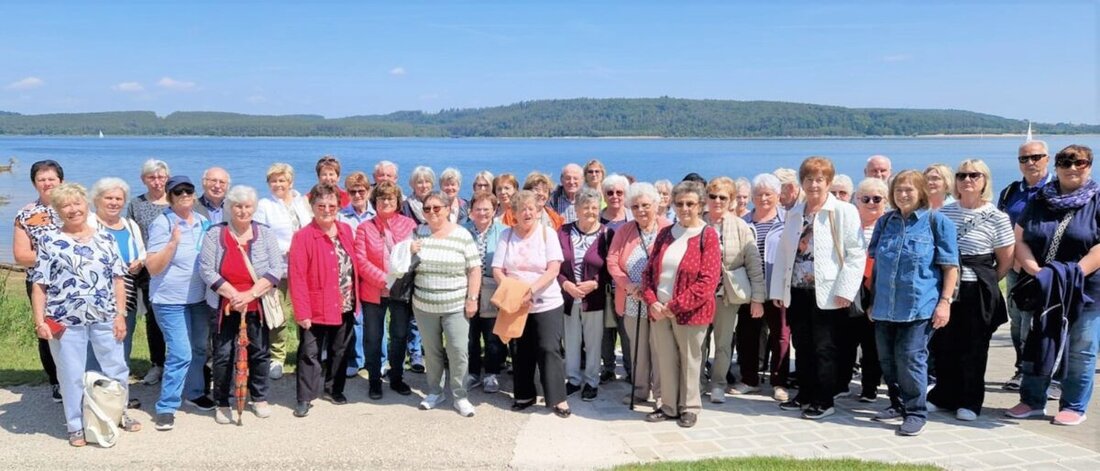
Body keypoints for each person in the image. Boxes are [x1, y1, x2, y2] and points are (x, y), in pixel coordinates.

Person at [30, 183, 141, 446]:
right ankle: (75, 425)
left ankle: (118, 412)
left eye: (76, 203)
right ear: (58, 210)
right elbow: (39, 285)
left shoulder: (105, 238)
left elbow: (117, 280)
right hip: (65, 320)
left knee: (116, 367)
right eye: (65, 205)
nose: (72, 209)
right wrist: (39, 321)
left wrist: (120, 314)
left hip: (104, 316)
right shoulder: (49, 240)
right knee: (71, 373)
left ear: (86, 204)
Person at [1007, 144, 1100, 427]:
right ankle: (1032, 400)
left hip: (1085, 287)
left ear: (1090, 165)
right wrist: (1037, 272)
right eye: (1065, 162)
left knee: (1081, 347)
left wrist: (1071, 277)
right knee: (1035, 340)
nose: (1072, 168)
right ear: (1056, 166)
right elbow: (1020, 238)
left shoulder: (1096, 200)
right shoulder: (1040, 200)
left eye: (1079, 162)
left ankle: (1074, 405)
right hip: (1041, 284)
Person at [770, 156, 866, 420]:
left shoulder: (843, 211)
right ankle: (805, 394)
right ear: (802, 182)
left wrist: (846, 290)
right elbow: (784, 253)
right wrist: (778, 291)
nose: (814, 185)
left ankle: (824, 400)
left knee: (825, 347)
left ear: (829, 182)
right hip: (797, 289)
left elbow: (856, 252)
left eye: (820, 180)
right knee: (802, 345)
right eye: (809, 179)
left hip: (829, 292)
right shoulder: (795, 213)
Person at [868, 170, 959, 436]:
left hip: (919, 306)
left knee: (910, 360)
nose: (903, 194)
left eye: (909, 189)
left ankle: (916, 411)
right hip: (885, 305)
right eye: (898, 190)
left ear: (921, 192)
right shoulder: (885, 222)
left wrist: (945, 302)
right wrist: (872, 301)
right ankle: (896, 404)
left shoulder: (937, 222)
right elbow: (875, 267)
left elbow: (950, 267)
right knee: (887, 360)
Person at [927, 159, 1013, 420]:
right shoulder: (944, 213)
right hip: (947, 289)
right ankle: (943, 395)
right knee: (944, 345)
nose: (967, 180)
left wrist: (985, 280)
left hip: (978, 289)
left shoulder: (997, 217)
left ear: (984, 180)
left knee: (974, 348)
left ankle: (970, 401)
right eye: (962, 175)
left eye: (974, 175)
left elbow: (1005, 259)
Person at [198, 185, 284, 424]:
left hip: (256, 304)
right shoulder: (215, 234)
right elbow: (206, 269)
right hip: (223, 304)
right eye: (238, 206)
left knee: (259, 352)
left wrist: (249, 295)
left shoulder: (265, 234)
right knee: (223, 354)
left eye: (247, 206)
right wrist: (234, 294)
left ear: (254, 208)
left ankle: (259, 398)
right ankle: (222, 401)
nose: (243, 211)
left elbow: (276, 268)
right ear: (229, 207)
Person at [640, 181, 720, 428]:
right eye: (680, 203)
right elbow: (648, 273)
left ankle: (690, 407)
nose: (684, 208)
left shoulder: (708, 236)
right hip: (659, 311)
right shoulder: (665, 233)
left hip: (690, 313)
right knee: (665, 360)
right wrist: (652, 301)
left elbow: (707, 282)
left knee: (690, 361)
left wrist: (673, 307)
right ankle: (669, 406)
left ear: (700, 205)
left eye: (690, 204)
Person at [492, 190, 571, 418]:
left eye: (531, 208)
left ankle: (557, 398)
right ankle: (524, 394)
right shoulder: (506, 235)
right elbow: (497, 269)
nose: (527, 212)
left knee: (549, 348)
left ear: (537, 211)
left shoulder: (548, 234)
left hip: (546, 302)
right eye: (521, 208)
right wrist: (513, 292)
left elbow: (553, 269)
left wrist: (530, 291)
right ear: (513, 213)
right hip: (515, 302)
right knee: (519, 350)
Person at [145, 175, 213, 431]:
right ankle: (166, 406)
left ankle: (194, 393)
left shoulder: (203, 222)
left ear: (194, 195)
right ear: (170, 197)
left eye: (188, 190)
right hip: (169, 300)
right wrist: (173, 242)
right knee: (180, 353)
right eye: (177, 192)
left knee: (198, 350)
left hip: (198, 299)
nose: (184, 195)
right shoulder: (162, 224)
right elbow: (152, 267)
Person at [408, 192, 482, 416]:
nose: (431, 212)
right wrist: (409, 252)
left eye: (436, 208)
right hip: (424, 305)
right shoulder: (418, 232)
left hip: (455, 307)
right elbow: (404, 265)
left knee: (458, 351)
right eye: (427, 208)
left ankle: (460, 396)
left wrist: (472, 299)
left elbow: (474, 269)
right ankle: (435, 391)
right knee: (432, 352)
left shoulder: (462, 235)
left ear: (448, 209)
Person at [288, 183, 358, 418]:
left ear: (338, 206)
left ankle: (334, 389)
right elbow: (297, 277)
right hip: (316, 305)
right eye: (321, 205)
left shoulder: (346, 230)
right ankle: (305, 397)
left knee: (340, 350)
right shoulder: (303, 236)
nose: (327, 209)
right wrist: (302, 312)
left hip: (345, 303)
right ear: (312, 207)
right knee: (310, 353)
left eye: (331, 205)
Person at [700, 177, 765, 402]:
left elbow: (754, 265)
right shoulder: (697, 223)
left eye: (723, 197)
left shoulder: (740, 227)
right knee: (697, 341)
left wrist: (758, 298)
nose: (717, 201)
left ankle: (718, 383)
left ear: (731, 201)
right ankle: (697, 382)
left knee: (723, 342)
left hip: (726, 295)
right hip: (698, 295)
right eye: (713, 196)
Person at [353, 181, 418, 400]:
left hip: (400, 292)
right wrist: (384, 280)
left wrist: (396, 281)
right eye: (381, 198)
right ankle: (374, 380)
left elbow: (414, 258)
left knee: (399, 335)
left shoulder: (409, 225)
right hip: (374, 291)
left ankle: (397, 377)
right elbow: (360, 261)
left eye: (390, 198)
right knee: (373, 336)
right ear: (375, 202)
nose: (386, 202)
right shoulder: (364, 228)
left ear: (398, 201)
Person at [998, 140, 1054, 390]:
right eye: (1024, 159)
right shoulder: (1011, 192)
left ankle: (1044, 373)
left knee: (1041, 320)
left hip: (1046, 267)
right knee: (1018, 320)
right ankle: (1021, 368)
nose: (1030, 163)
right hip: (1014, 266)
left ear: (1047, 158)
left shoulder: (1057, 189)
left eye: (1036, 157)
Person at [609, 182, 671, 405]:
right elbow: (612, 261)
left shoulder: (668, 228)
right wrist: (627, 285)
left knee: (660, 349)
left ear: (656, 204)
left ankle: (662, 393)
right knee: (638, 351)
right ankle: (640, 389)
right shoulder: (625, 230)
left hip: (659, 301)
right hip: (632, 300)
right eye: (635, 207)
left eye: (645, 205)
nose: (640, 210)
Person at [253, 163, 312, 380]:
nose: (278, 184)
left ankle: (305, 354)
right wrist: (283, 250)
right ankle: (277, 357)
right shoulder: (264, 205)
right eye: (274, 181)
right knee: (279, 315)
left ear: (290, 181)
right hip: (279, 269)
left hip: (304, 268)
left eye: (282, 180)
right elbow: (259, 238)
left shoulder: (302, 201)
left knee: (304, 313)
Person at [13, 159, 64, 400]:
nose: (47, 183)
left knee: (77, 330)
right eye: (41, 179)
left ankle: (79, 377)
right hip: (41, 284)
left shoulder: (74, 207)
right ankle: (56, 381)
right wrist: (57, 256)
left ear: (60, 181)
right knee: (48, 331)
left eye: (51, 178)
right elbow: (22, 255)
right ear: (34, 184)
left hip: (75, 283)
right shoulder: (26, 214)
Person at [738, 174, 792, 402]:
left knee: (781, 335)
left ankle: (779, 382)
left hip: (777, 288)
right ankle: (749, 379)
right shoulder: (743, 222)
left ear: (778, 196)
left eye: (768, 194)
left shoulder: (788, 220)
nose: (763, 198)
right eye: (758, 194)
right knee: (747, 334)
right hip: (749, 290)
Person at [835, 178, 889, 402]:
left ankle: (870, 387)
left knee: (872, 344)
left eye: (877, 199)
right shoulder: (849, 224)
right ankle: (841, 383)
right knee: (845, 341)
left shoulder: (889, 225)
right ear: (857, 200)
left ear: (885, 201)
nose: (871, 203)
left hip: (878, 290)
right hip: (850, 289)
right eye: (865, 198)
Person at [558, 188, 614, 402]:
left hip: (594, 298)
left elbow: (611, 268)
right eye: (585, 207)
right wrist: (566, 285)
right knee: (571, 340)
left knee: (593, 342)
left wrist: (595, 283)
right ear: (576, 209)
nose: (590, 212)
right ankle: (572, 379)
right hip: (569, 296)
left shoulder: (608, 234)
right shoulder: (563, 231)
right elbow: (554, 263)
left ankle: (591, 381)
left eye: (593, 207)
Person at [89, 178, 147, 368]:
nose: (114, 203)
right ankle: (94, 390)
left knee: (123, 339)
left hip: (127, 291)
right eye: (109, 198)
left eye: (118, 199)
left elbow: (141, 252)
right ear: (97, 199)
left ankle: (118, 393)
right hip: (97, 292)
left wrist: (140, 262)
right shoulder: (88, 223)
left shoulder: (130, 225)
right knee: (95, 343)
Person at [124, 158, 170, 386]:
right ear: (144, 179)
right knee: (154, 320)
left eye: (161, 177)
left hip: (174, 270)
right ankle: (157, 364)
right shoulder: (136, 203)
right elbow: (131, 234)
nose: (157, 181)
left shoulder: (176, 200)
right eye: (152, 177)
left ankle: (184, 363)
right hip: (148, 271)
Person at [463, 192, 508, 394]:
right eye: (478, 209)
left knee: (492, 335)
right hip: (467, 287)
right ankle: (472, 373)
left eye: (486, 209)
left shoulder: (504, 231)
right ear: (471, 211)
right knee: (470, 334)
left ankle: (491, 373)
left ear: (494, 210)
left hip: (493, 287)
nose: (482, 213)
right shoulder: (462, 231)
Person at [338, 171, 375, 377]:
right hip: (350, 273)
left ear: (368, 191)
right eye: (353, 191)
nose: (358, 195)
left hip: (372, 271)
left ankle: (378, 359)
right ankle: (356, 358)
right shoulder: (341, 215)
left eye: (361, 191)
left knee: (375, 318)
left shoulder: (376, 214)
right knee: (355, 317)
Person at [597, 173, 633, 383]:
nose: (615, 196)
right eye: (610, 192)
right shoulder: (597, 219)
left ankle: (630, 368)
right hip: (601, 284)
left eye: (619, 192)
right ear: (604, 194)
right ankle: (608, 367)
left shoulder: (632, 218)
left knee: (626, 330)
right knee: (604, 331)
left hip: (626, 285)